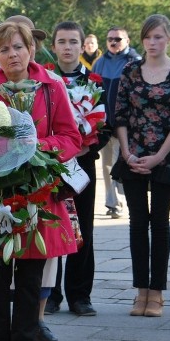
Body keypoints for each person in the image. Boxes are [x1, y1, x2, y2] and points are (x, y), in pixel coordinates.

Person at [0, 21, 82, 341]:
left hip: (37, 194)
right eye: (4, 49)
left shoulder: (51, 86)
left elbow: (71, 138)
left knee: (31, 282)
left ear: (31, 49)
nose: (12, 54)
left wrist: (35, 147)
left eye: (18, 47)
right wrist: (0, 150)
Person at [111, 14, 170, 318]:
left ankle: (156, 291)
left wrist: (158, 156)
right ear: (141, 40)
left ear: (169, 37)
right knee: (136, 221)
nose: (153, 42)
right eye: (148, 37)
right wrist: (128, 153)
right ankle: (140, 291)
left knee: (159, 222)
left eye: (158, 36)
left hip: (165, 156)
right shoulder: (130, 71)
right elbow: (119, 114)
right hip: (131, 155)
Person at [45, 21, 111, 317]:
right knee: (51, 224)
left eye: (73, 41)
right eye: (62, 41)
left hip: (81, 163)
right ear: (55, 46)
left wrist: (87, 146)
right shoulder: (44, 79)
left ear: (82, 45)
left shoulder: (94, 82)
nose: (67, 47)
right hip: (51, 162)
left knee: (82, 227)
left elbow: (106, 127)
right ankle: (50, 293)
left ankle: (79, 295)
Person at [92, 26, 141, 218]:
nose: (113, 42)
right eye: (110, 39)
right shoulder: (100, 63)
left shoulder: (135, 63)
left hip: (127, 126)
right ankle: (113, 203)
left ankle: (126, 200)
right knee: (106, 166)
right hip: (104, 125)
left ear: (127, 41)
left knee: (124, 163)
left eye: (118, 39)